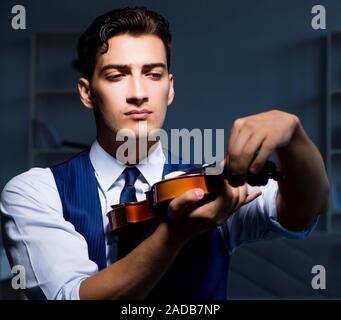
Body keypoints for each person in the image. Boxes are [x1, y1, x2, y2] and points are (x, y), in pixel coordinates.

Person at [0, 7, 329, 300]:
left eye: (153, 75)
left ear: (169, 88)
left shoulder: (211, 184)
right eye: (117, 76)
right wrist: (173, 235)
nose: (139, 94)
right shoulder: (36, 191)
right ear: (87, 93)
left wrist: (294, 136)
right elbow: (68, 297)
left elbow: (305, 209)